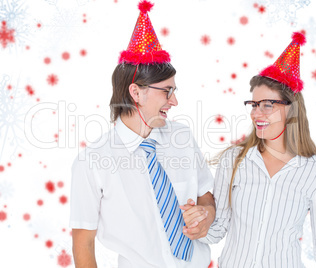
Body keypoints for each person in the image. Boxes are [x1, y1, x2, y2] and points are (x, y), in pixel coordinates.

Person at [69, 1, 215, 267]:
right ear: (136, 92)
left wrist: (206, 215)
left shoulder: (182, 138)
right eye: (167, 92)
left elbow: (206, 194)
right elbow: (83, 243)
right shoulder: (91, 162)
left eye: (174, 91)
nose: (174, 102)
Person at [201, 32, 316, 267]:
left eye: (267, 105)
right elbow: (217, 229)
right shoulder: (234, 160)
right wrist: (195, 221)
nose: (256, 113)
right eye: (254, 105)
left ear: (291, 109)